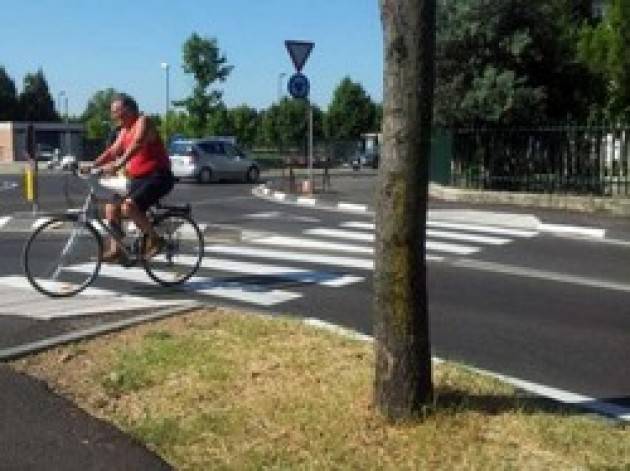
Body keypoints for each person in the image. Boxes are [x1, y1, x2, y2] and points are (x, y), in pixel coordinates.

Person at [91, 93, 174, 262]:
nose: (114, 116)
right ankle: (117, 250)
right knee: (111, 208)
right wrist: (92, 165)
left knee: (129, 207)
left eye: (116, 112)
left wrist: (119, 164)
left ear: (128, 110)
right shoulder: (124, 130)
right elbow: (112, 151)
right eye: (113, 112)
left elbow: (138, 143)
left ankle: (156, 240)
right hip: (137, 179)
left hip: (157, 177)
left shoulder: (143, 121)